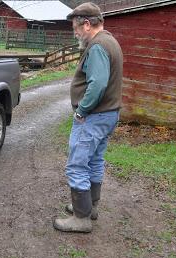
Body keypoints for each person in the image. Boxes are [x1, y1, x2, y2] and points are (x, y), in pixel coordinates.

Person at [53, 2, 123, 233]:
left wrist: (82, 110)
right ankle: (89, 207)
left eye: (75, 27)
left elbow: (98, 84)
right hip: (108, 115)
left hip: (94, 116)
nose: (75, 32)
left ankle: (81, 218)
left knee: (77, 164)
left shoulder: (97, 47)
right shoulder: (110, 41)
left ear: (86, 24)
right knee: (94, 161)